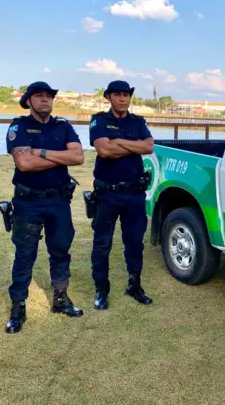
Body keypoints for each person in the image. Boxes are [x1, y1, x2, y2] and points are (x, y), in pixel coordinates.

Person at [4, 81, 85, 334]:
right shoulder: (19, 126)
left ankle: (60, 298)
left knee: (61, 250)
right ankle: (18, 307)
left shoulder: (63, 126)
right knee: (25, 254)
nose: (45, 100)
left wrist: (39, 151)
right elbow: (24, 164)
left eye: (48, 96)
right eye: (38, 96)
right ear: (28, 101)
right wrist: (57, 156)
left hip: (59, 201)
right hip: (29, 201)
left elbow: (78, 157)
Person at [89, 80, 155, 310]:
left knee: (135, 243)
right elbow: (104, 150)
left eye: (126, 94)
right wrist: (131, 145)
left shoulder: (137, 122)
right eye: (117, 94)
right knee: (102, 243)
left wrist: (119, 141)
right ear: (108, 97)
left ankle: (134, 285)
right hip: (107, 194)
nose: (122, 98)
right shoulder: (99, 120)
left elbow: (148, 147)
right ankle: (101, 290)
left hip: (134, 195)